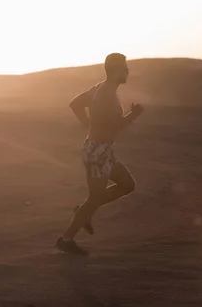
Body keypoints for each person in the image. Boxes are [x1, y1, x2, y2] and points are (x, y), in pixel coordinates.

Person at [55, 53, 144, 255]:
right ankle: (66, 239)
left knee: (127, 185)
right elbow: (114, 126)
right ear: (115, 70)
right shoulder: (106, 96)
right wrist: (134, 115)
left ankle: (83, 210)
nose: (128, 71)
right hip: (98, 152)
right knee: (94, 198)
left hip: (101, 150)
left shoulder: (100, 89)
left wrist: (87, 124)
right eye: (125, 67)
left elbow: (75, 103)